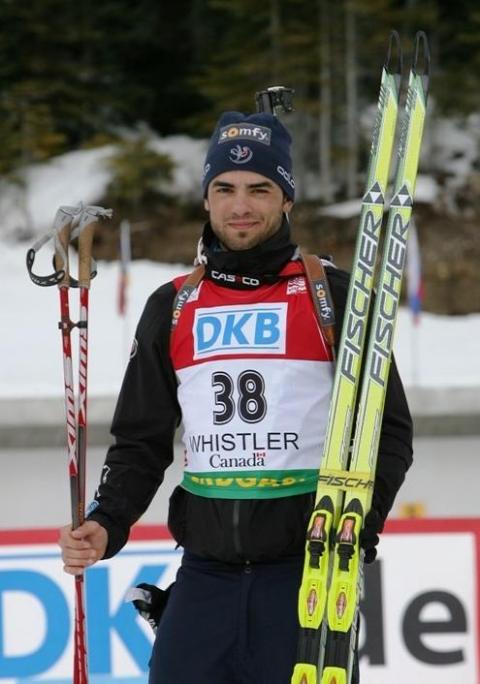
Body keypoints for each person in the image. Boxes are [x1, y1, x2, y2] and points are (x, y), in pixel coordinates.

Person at [59, 110, 413, 683]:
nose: (240, 205)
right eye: (224, 188)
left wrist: (356, 532)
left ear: (287, 200)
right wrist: (107, 521)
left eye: (259, 189)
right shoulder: (172, 305)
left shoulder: (335, 297)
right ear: (205, 198)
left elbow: (389, 430)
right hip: (205, 580)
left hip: (306, 576)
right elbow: (141, 442)